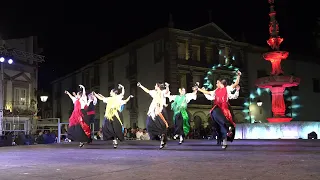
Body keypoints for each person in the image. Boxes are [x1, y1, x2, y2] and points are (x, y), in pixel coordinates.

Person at [197, 71, 242, 149]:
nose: (216, 84)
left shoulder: (227, 89)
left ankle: (226, 135)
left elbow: (236, 83)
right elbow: (207, 92)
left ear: (221, 83)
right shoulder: (215, 91)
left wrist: (238, 75)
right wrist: (199, 89)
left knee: (223, 123)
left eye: (217, 83)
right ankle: (225, 131)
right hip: (217, 108)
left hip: (225, 108)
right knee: (215, 114)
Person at [93, 84, 133, 148]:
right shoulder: (109, 99)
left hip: (115, 115)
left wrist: (122, 87)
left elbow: (123, 93)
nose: (110, 93)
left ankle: (116, 139)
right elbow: (101, 98)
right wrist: (95, 94)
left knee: (116, 128)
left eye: (111, 92)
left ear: (114, 92)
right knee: (106, 127)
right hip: (108, 115)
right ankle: (113, 139)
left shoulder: (118, 97)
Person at [137, 82, 170, 149]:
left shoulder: (162, 92)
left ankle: (162, 138)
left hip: (160, 110)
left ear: (158, 86)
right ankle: (160, 138)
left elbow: (166, 91)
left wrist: (167, 86)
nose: (154, 86)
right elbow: (147, 90)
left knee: (161, 125)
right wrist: (141, 86)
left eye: (155, 85)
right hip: (153, 110)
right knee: (149, 125)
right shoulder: (154, 92)